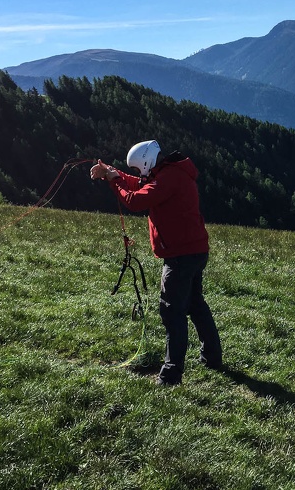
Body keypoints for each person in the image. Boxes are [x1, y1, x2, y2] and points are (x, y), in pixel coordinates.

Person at [90, 140, 222, 386]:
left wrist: (113, 181)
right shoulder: (168, 172)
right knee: (195, 303)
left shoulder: (167, 178)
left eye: (140, 169)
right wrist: (113, 173)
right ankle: (212, 357)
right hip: (194, 250)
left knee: (172, 312)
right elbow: (140, 185)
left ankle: (171, 375)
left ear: (147, 162)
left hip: (181, 256)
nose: (141, 174)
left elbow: (135, 200)